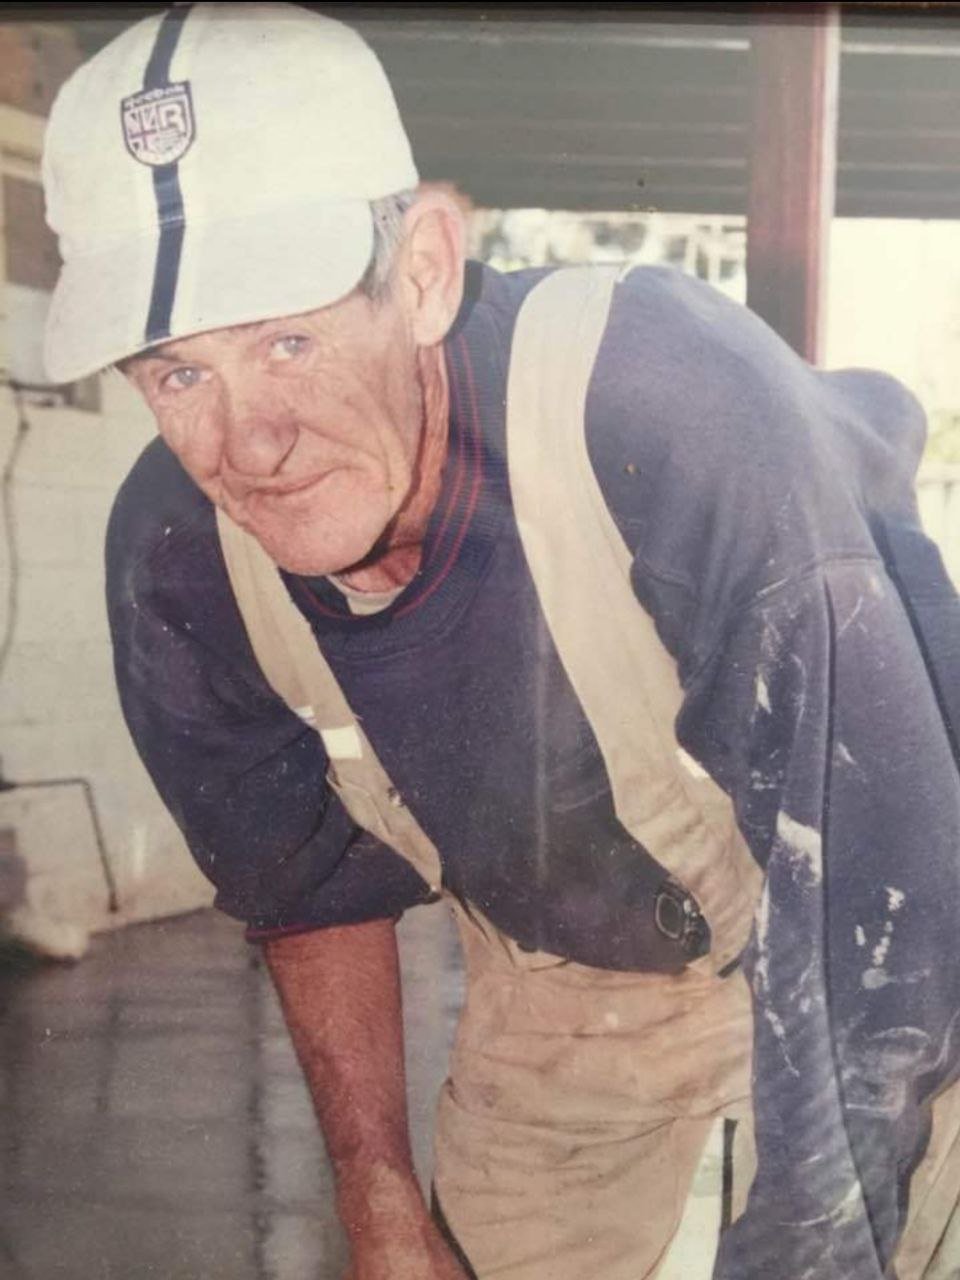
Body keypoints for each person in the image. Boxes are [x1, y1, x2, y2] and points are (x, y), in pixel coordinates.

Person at [41, 4, 960, 1278]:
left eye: (289, 338)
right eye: (177, 373)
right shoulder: (177, 555)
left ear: (421, 271)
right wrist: (377, 1196)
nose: (249, 444)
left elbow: (881, 909)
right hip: (564, 998)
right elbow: (306, 893)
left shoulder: (661, 399)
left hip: (893, 940)